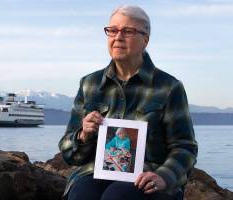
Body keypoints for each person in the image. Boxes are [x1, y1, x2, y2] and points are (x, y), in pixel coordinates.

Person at [59, 4, 198, 200]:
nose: (118, 37)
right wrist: (83, 135)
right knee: (81, 194)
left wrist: (164, 177)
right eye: (112, 30)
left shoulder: (169, 87)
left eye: (128, 31)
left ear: (145, 40)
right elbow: (68, 154)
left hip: (148, 177)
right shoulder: (89, 84)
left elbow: (185, 147)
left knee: (117, 196)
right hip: (95, 173)